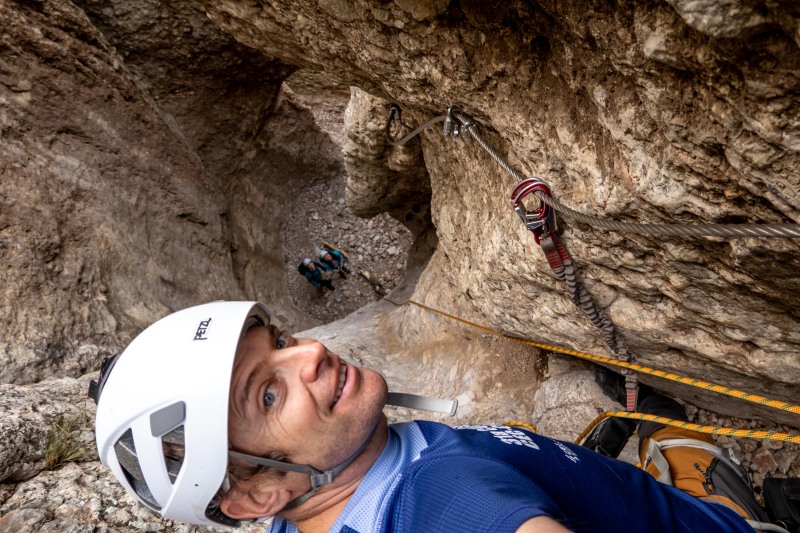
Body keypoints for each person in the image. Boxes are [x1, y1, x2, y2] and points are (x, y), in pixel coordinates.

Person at [89, 301, 782, 533]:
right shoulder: (437, 491)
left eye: (280, 343)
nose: (312, 354)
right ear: (256, 491)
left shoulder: (292, 511)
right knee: (674, 447)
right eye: (267, 394)